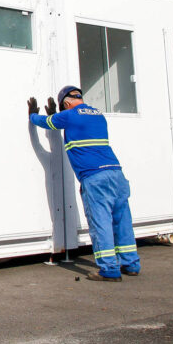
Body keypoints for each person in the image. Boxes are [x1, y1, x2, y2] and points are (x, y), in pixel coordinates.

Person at [28, 86, 140, 282]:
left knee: (101, 223)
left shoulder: (70, 115)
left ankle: (109, 269)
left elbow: (46, 122)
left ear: (66, 103)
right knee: (122, 221)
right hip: (116, 173)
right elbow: (77, 127)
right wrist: (60, 115)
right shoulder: (98, 115)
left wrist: (32, 116)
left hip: (95, 178)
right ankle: (131, 264)